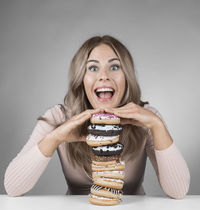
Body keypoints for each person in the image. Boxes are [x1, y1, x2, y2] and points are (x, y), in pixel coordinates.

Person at [4, 35, 190, 198]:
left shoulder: (146, 118)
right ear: (81, 78)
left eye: (114, 66)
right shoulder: (58, 117)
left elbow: (178, 191)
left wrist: (157, 125)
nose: (104, 76)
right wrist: (56, 137)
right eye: (93, 68)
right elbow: (12, 187)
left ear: (127, 77)